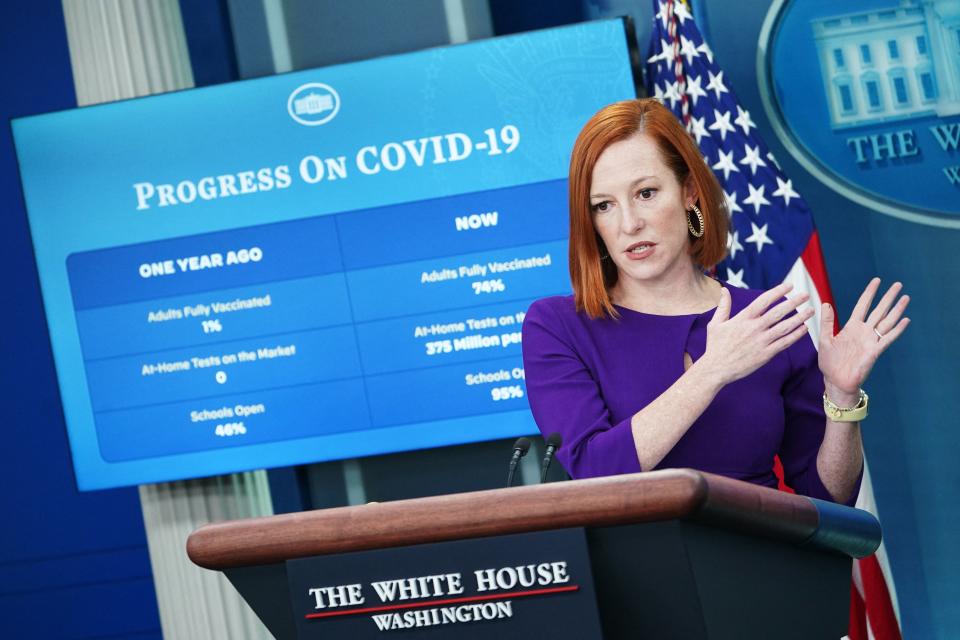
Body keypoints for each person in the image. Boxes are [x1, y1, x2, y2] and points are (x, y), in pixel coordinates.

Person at [521, 99, 909, 505]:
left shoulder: (766, 319)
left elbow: (830, 497)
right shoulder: (557, 326)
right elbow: (594, 471)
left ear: (689, 192)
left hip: (765, 557)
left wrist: (843, 399)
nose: (628, 224)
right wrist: (713, 371)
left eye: (646, 193)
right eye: (604, 206)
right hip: (638, 563)